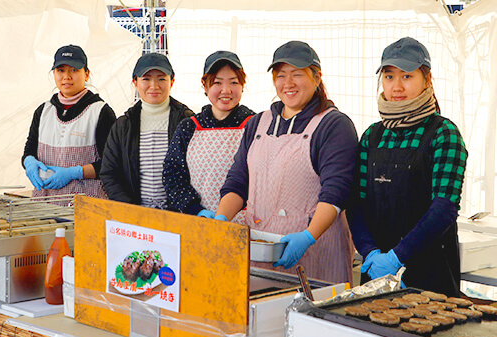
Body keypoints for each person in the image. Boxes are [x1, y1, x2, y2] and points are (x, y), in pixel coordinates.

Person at [215, 41, 358, 283]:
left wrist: (309, 236)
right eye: (280, 75)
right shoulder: (257, 123)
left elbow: (336, 192)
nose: (288, 83)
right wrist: (220, 220)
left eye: (297, 74)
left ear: (316, 77)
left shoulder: (334, 125)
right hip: (261, 255)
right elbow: (238, 182)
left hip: (316, 253)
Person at [347, 37, 468, 296]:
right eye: (389, 77)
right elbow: (356, 203)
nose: (397, 86)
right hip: (376, 270)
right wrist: (371, 254)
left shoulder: (443, 133)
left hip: (429, 271)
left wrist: (397, 258)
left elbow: (444, 208)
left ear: (428, 80)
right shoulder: (373, 135)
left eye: (407, 76)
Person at [163, 51, 254, 222]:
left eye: (233, 82)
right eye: (217, 83)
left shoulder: (254, 125)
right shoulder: (189, 127)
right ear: (205, 86)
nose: (226, 90)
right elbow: (172, 174)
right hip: (198, 221)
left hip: (244, 223)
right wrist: (195, 209)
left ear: (242, 85)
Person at [22, 45, 116, 204]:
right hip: (44, 205)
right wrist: (29, 162)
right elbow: (29, 150)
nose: (66, 76)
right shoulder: (43, 111)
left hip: (86, 207)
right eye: (60, 70)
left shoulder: (101, 112)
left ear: (86, 74)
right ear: (53, 73)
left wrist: (75, 172)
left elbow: (111, 165)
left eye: (74, 70)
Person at [100, 53, 193, 208]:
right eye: (146, 79)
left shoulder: (187, 121)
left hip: (179, 215)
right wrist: (131, 209)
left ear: (172, 81)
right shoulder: (123, 125)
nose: (154, 86)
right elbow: (109, 173)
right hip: (135, 216)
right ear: (135, 82)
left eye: (162, 78)